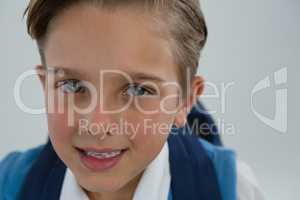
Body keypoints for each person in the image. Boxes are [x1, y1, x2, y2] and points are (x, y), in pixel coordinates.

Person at [0, 0, 265, 199]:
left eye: (138, 90)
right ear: (46, 87)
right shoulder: (9, 184)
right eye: (72, 85)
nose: (97, 125)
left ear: (184, 101)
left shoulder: (231, 189)